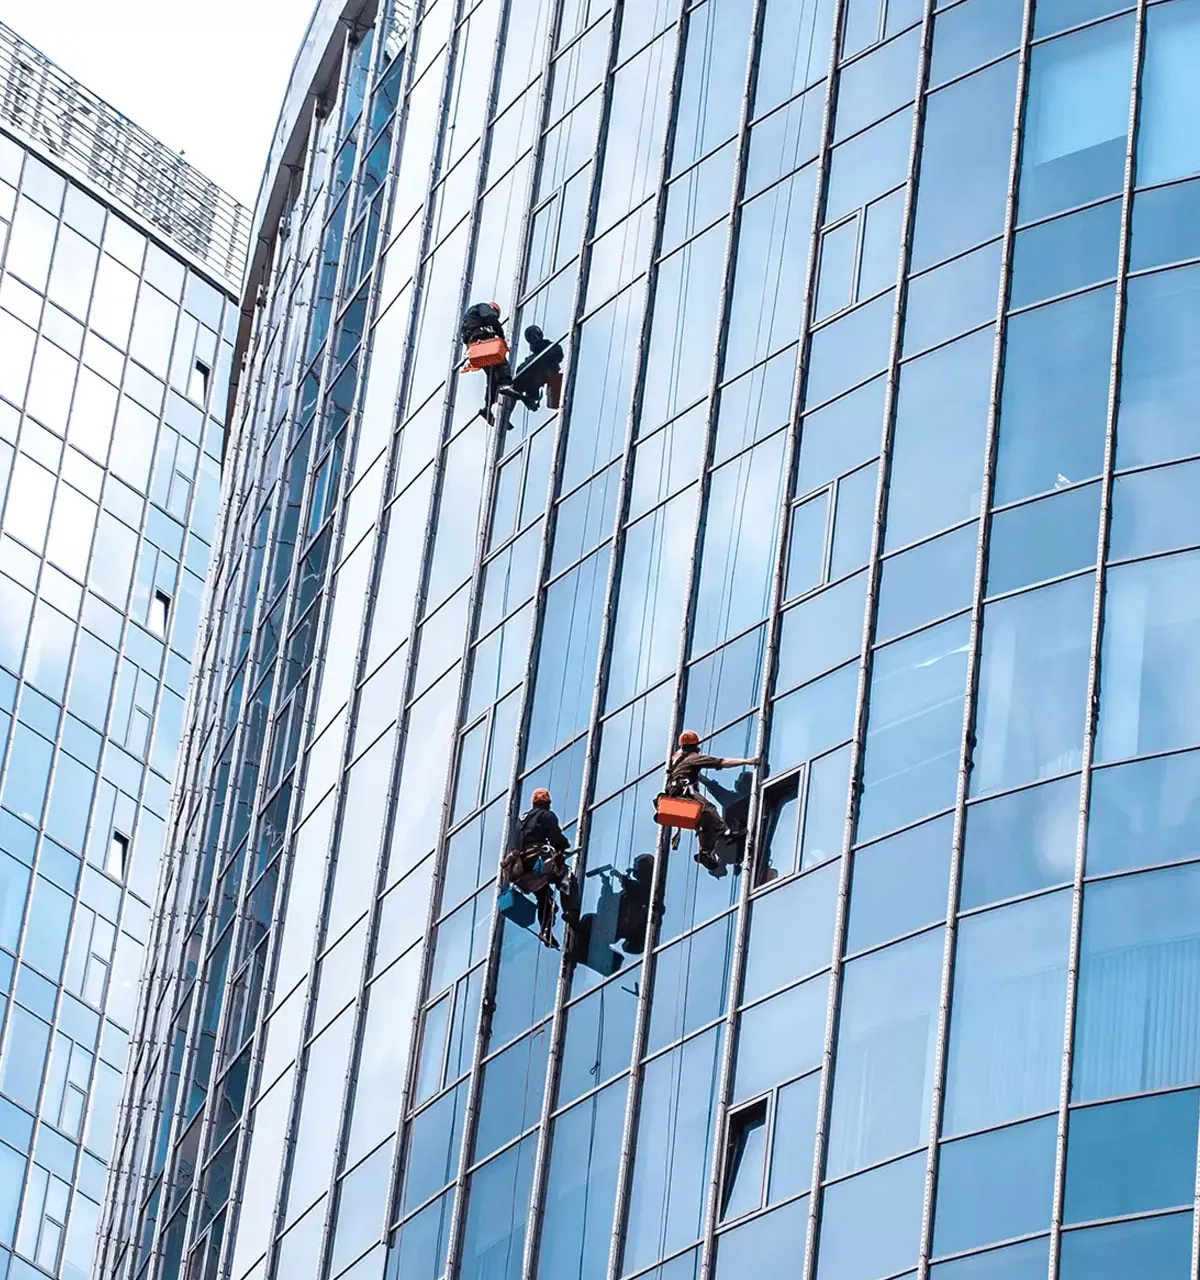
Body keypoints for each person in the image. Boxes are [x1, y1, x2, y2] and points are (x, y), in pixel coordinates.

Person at [665, 731, 759, 869]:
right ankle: (726, 835)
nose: (736, 782)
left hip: (675, 794)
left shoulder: (679, 760)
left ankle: (706, 852)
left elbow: (713, 787)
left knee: (705, 820)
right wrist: (747, 761)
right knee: (708, 810)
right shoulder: (693, 758)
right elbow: (721, 762)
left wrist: (701, 778)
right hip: (682, 792)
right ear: (695, 746)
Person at [503, 788, 573, 948]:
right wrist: (564, 846)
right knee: (565, 876)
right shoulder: (546, 816)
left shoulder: (521, 819)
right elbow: (556, 838)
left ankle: (546, 929)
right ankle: (571, 911)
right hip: (535, 862)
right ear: (548, 803)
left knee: (544, 897)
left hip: (519, 868)